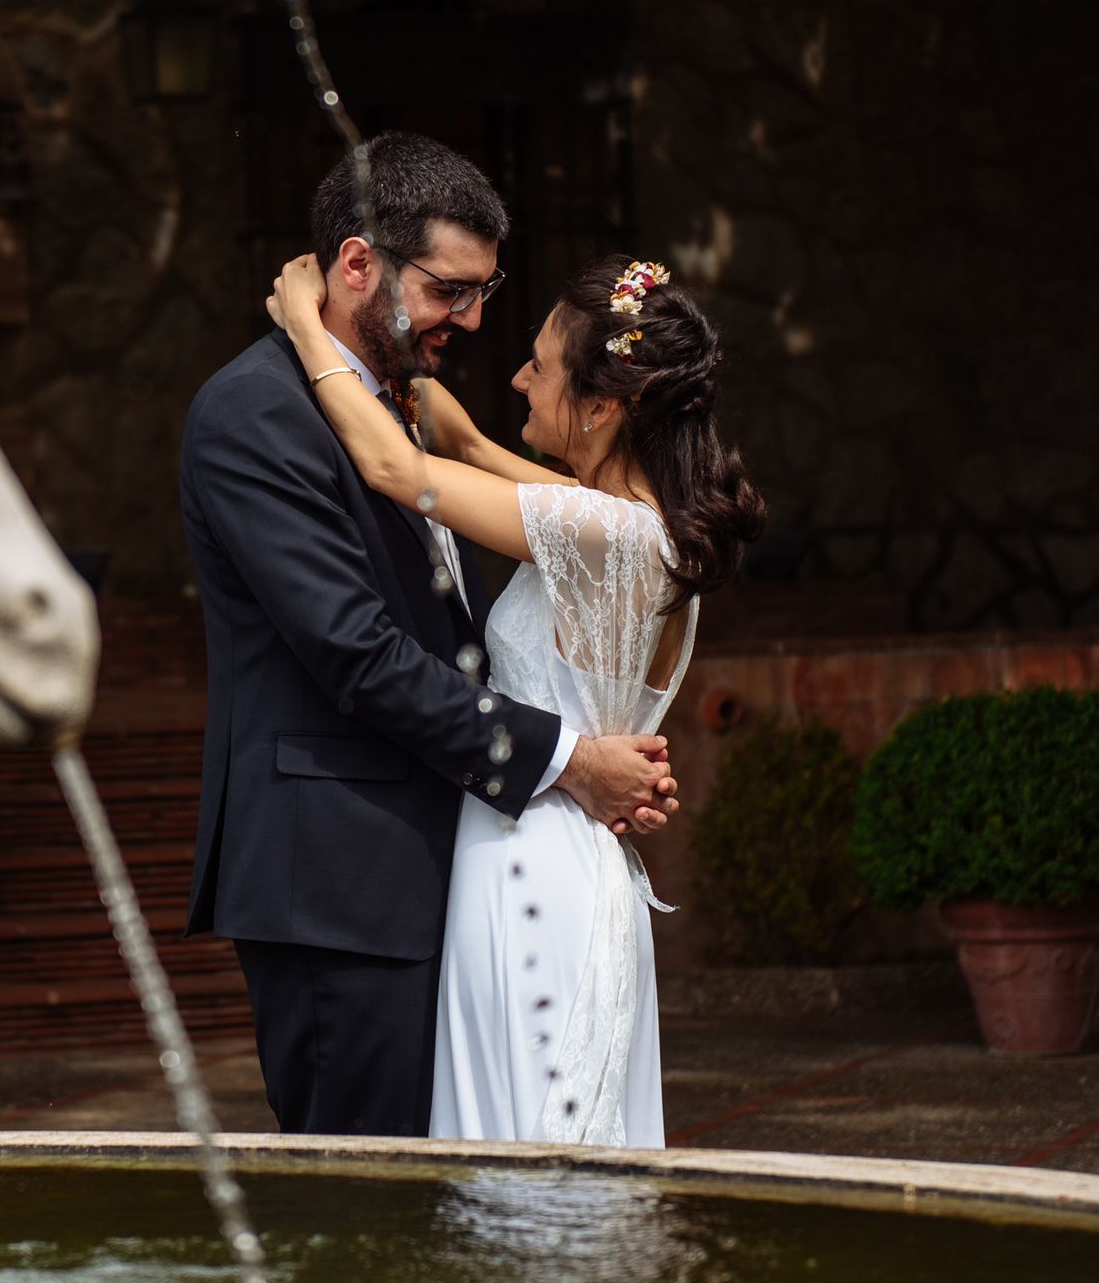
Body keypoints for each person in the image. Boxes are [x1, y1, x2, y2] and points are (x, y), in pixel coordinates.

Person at [178, 133, 679, 1138]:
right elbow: (357, 653)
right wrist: (569, 759)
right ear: (357, 263)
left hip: (453, 871)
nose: (476, 319)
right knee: (361, 1225)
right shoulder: (256, 414)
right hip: (339, 887)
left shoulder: (402, 408)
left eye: (486, 291)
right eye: (452, 289)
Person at [266, 245, 765, 1145]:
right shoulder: (633, 525)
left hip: (534, 868)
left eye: (540, 363)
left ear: (605, 404)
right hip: (561, 850)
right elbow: (463, 446)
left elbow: (396, 470)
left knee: (529, 1157)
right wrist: (403, 362)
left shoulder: (601, 529)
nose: (520, 375)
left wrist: (306, 325)